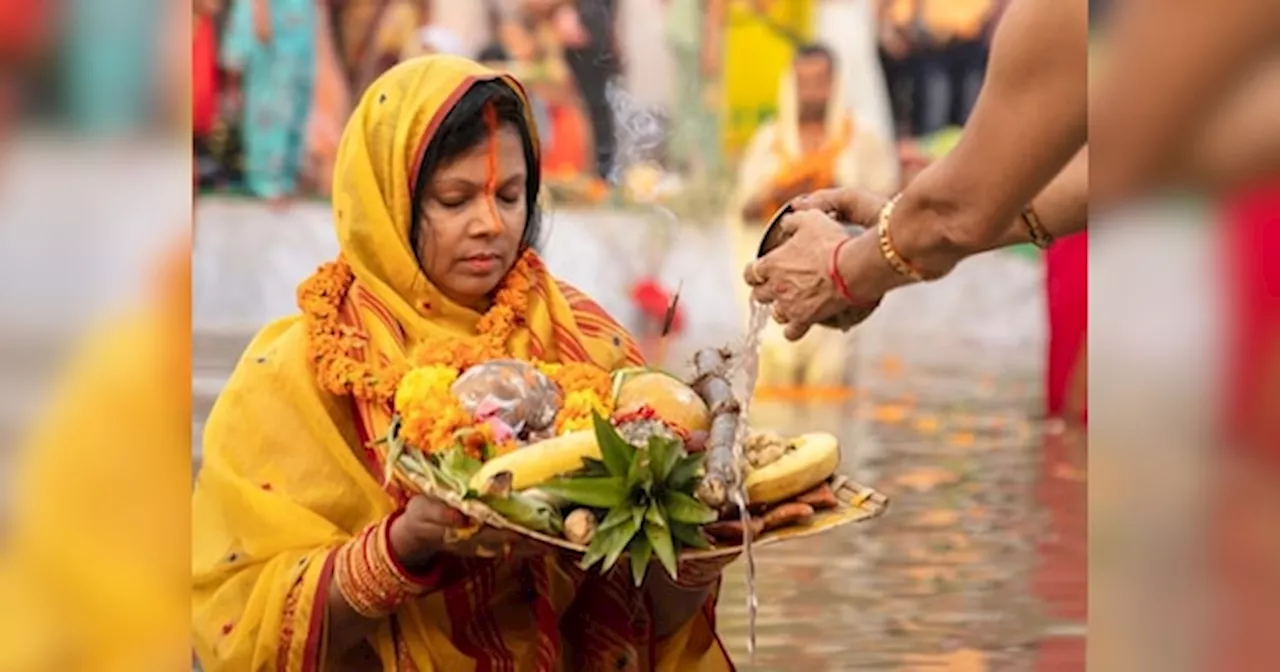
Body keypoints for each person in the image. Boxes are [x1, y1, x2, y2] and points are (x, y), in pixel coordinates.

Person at [192, 56, 734, 671]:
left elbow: (650, 614)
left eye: (509, 196)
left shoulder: (585, 341)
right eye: (454, 199)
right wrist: (402, 548)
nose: (491, 225)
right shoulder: (299, 371)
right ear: (388, 205)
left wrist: (699, 544)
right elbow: (242, 628)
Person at [730, 43, 897, 391]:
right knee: (770, 389)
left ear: (834, 83)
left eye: (819, 81)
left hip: (839, 276)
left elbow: (888, 206)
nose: (812, 92)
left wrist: (837, 194)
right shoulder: (768, 140)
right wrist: (777, 194)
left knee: (830, 382)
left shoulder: (860, 139)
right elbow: (742, 208)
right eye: (803, 82)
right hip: (779, 276)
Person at [221, 0, 316, 206]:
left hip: (297, 42)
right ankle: (267, 183)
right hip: (270, 44)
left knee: (296, 108)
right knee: (270, 110)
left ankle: (287, 180)